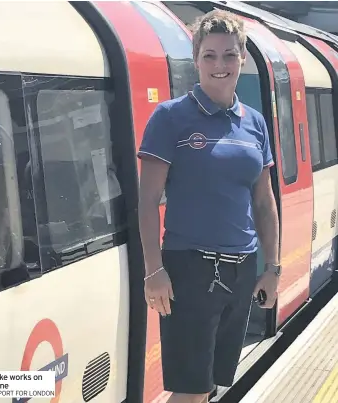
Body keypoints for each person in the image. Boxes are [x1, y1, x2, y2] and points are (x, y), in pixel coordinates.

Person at [137, 10, 280, 403]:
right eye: (210, 56)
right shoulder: (170, 117)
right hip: (189, 270)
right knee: (191, 389)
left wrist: (272, 267)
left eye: (230, 55)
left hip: (242, 268)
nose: (221, 65)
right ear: (196, 59)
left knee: (210, 385)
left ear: (243, 58)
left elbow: (264, 202)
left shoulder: (254, 123)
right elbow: (147, 201)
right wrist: (154, 271)